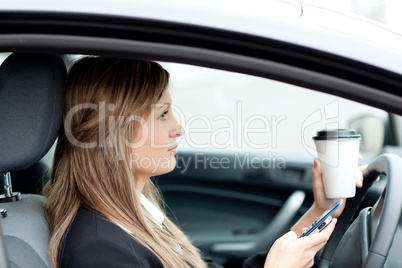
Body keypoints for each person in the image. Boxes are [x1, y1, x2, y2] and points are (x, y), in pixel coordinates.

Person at [43, 57, 364, 268]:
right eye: (163, 114)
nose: (178, 127)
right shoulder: (99, 251)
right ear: (116, 133)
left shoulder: (135, 216)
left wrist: (320, 209)